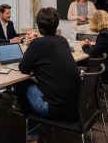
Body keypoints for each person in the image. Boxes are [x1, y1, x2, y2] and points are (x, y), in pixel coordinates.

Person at [16, 7, 81, 143]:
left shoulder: (37, 44)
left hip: (55, 110)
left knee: (21, 84)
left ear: (38, 25)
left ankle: (32, 137)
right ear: (56, 24)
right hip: (76, 108)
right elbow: (48, 46)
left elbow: (23, 68)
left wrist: (32, 44)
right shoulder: (62, 40)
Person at [80, 10, 108, 81]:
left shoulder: (104, 34)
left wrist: (84, 46)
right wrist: (91, 46)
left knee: (79, 64)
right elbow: (100, 49)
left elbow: (93, 53)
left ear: (96, 21)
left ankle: (84, 88)